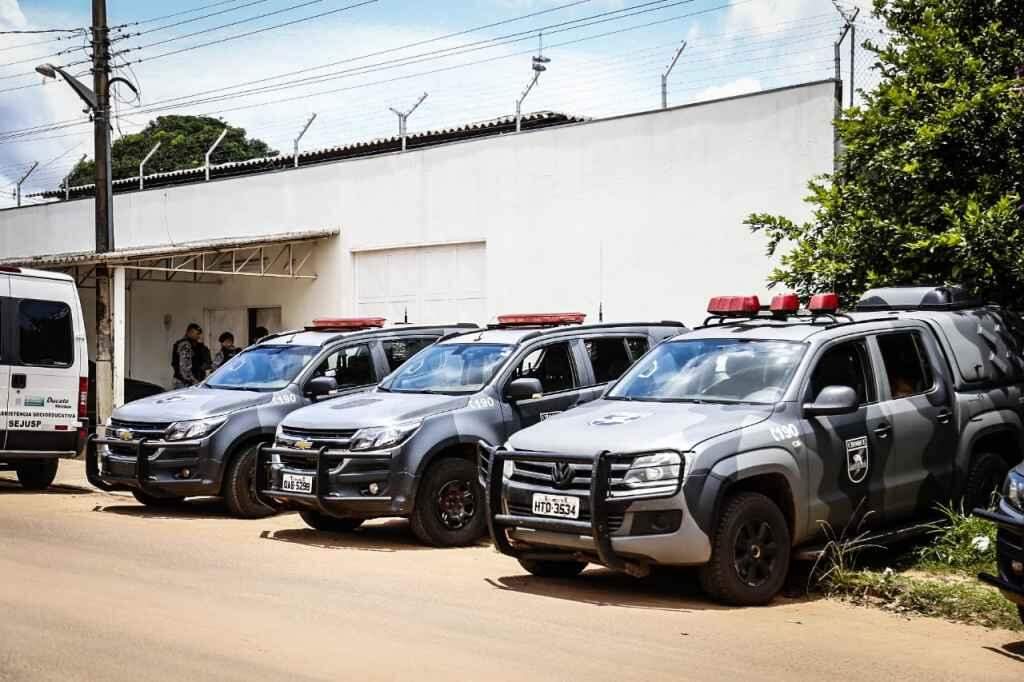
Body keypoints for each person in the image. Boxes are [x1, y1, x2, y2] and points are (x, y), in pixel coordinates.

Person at [171, 323, 205, 388]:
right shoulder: (185, 345)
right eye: (197, 334)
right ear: (189, 333)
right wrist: (193, 381)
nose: (198, 336)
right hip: (184, 382)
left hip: (187, 381)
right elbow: (184, 367)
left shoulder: (194, 345)